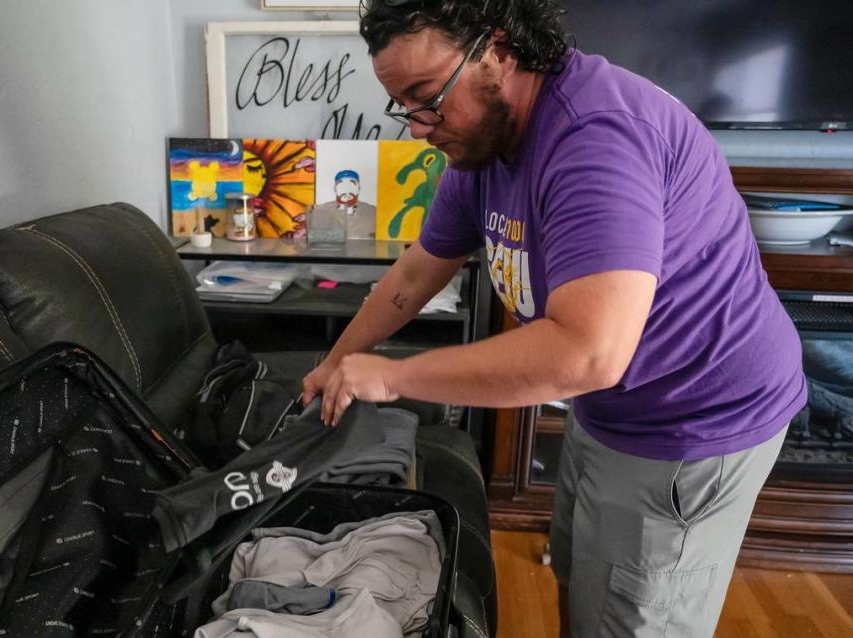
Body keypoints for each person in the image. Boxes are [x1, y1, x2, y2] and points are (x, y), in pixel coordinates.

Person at [302, 1, 807, 635]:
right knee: (582, 582)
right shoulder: (481, 140)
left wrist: (392, 377)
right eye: (403, 103)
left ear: (500, 49)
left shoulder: (597, 137)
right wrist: (338, 362)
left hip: (693, 419)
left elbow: (586, 352)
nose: (416, 126)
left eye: (426, 96)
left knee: (627, 620)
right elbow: (415, 272)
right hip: (608, 405)